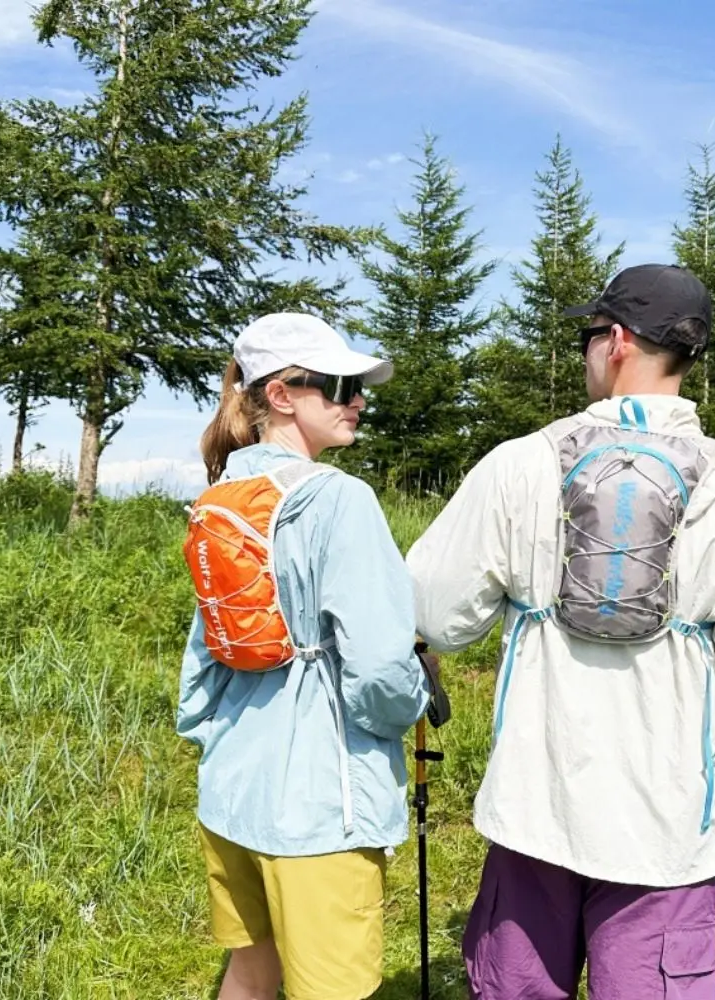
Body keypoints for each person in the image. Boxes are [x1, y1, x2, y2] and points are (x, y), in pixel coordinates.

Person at [405, 265, 715, 1000]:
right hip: (668, 833)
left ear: (619, 341)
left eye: (587, 335)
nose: (583, 353)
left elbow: (435, 614)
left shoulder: (518, 467)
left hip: (533, 813)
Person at [177, 312, 432, 1000]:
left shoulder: (219, 498)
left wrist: (206, 737)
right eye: (339, 385)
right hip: (319, 802)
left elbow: (202, 654)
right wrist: (410, 703)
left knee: (252, 971)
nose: (357, 400)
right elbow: (379, 667)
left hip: (232, 789)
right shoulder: (339, 500)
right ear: (282, 395)